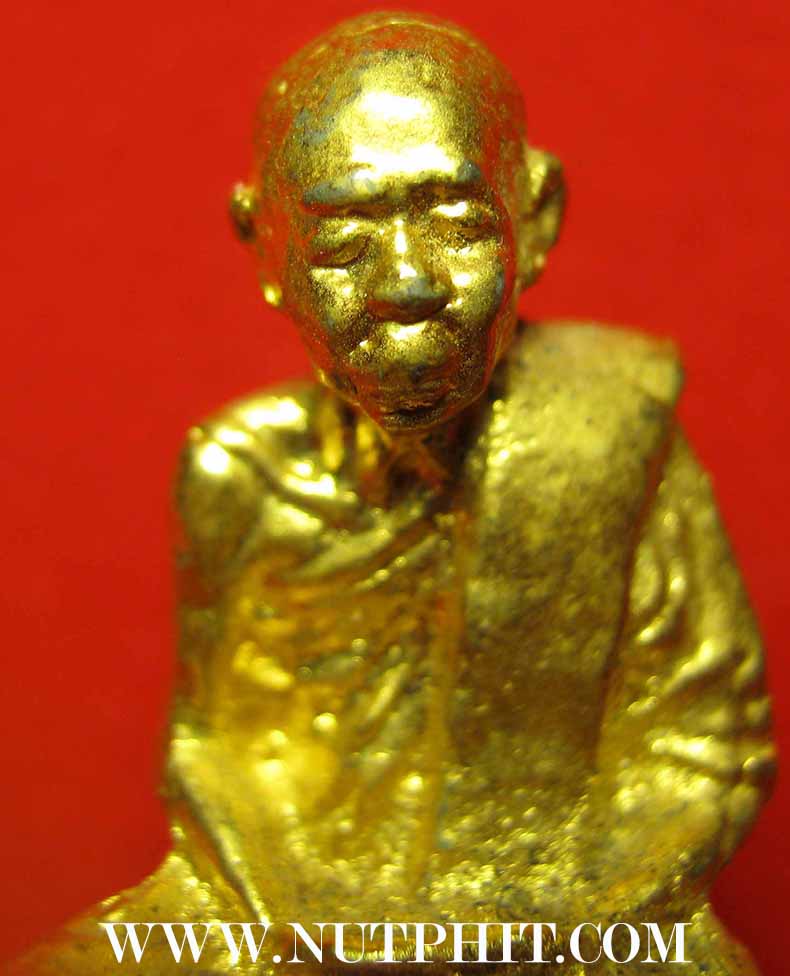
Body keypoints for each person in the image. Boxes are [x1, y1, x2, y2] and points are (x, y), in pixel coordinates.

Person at [10, 12, 775, 975]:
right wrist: (307, 912)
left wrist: (540, 912)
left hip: (566, 918)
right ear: (263, 245)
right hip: (278, 910)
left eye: (458, 226)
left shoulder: (609, 438)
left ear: (535, 219)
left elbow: (709, 747)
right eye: (342, 242)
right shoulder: (240, 474)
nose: (407, 285)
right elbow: (211, 749)